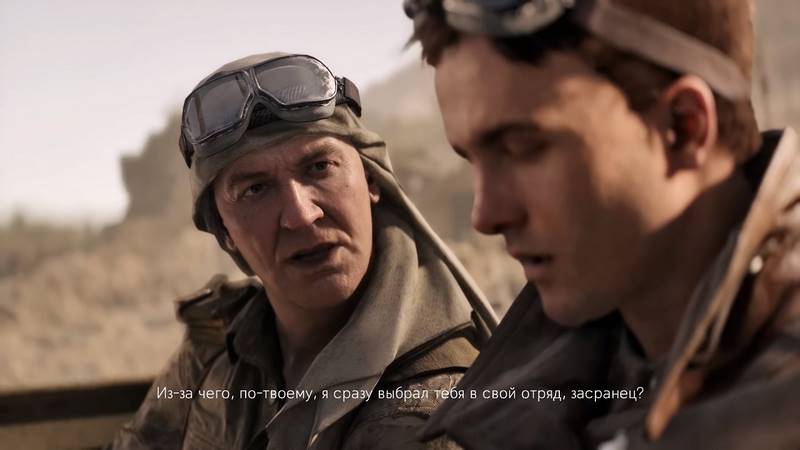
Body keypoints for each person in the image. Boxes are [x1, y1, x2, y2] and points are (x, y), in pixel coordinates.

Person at [402, 0, 800, 448]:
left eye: (523, 148)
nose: (486, 216)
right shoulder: (547, 396)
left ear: (684, 127)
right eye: (472, 160)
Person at [109, 52, 497, 450]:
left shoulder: (437, 411)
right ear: (224, 232)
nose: (301, 215)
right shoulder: (214, 348)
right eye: (256, 189)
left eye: (320, 167)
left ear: (371, 181)